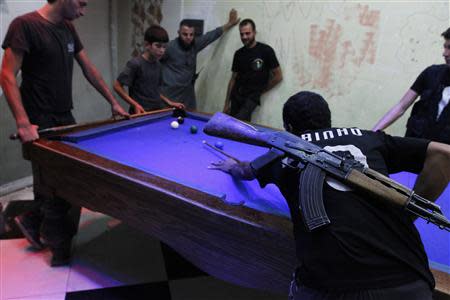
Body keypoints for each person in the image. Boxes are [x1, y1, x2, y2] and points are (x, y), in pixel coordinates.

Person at [210, 91, 450, 299]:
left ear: (289, 128)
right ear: (328, 119)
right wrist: (405, 216)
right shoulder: (368, 137)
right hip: (410, 278)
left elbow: (245, 171)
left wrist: (232, 165)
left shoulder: (281, 151)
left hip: (330, 286)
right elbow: (444, 154)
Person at [0, 0, 128, 266]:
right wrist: (23, 123)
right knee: (52, 182)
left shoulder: (67, 27)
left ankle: (32, 222)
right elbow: (7, 75)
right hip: (39, 118)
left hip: (64, 115)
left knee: (67, 179)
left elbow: (88, 68)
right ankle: (55, 245)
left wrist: (113, 102)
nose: (83, 11)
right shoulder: (24, 25)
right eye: (81, 4)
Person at [373, 28, 450, 144]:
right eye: (445, 47)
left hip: (443, 156)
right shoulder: (431, 73)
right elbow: (401, 106)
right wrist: (372, 133)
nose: (445, 53)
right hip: (414, 148)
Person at [160, 9, 240, 110]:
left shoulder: (195, 45)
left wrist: (229, 24)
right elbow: (153, 64)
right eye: (185, 34)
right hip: (169, 98)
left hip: (187, 98)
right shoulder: (169, 47)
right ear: (178, 33)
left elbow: (211, 35)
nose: (188, 38)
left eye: (191, 35)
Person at [114, 25, 184, 114]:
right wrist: (135, 104)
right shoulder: (135, 63)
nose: (162, 50)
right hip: (139, 113)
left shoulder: (158, 65)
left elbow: (154, 91)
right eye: (158, 46)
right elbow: (117, 86)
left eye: (164, 47)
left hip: (156, 112)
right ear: (147, 45)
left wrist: (169, 102)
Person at [223, 18, 283, 121]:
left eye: (247, 33)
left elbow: (278, 76)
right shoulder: (238, 54)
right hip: (236, 95)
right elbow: (233, 79)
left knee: (239, 124)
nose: (244, 37)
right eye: (241, 34)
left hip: (252, 97)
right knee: (231, 123)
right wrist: (226, 104)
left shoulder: (266, 51)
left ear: (254, 32)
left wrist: (261, 91)